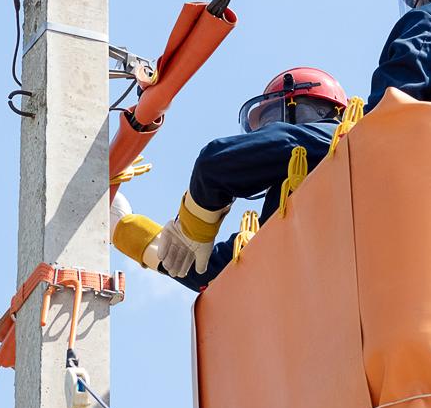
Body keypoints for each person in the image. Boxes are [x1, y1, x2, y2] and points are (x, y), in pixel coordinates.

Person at [112, 68, 348, 291]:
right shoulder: (285, 210)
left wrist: (193, 227)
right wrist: (123, 227)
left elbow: (216, 164)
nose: (266, 131)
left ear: (319, 111)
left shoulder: (340, 138)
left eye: (274, 117)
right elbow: (208, 272)